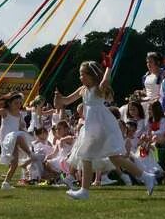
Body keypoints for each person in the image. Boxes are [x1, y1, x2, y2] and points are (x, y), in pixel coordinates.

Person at [53, 60, 157, 200]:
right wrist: (59, 98)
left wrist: (108, 66)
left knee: (86, 156)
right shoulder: (83, 90)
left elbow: (105, 81)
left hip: (102, 127)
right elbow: (65, 101)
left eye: (83, 74)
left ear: (92, 76)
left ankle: (84, 191)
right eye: (80, 75)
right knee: (114, 158)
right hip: (92, 128)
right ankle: (146, 176)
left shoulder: (98, 89)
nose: (81, 77)